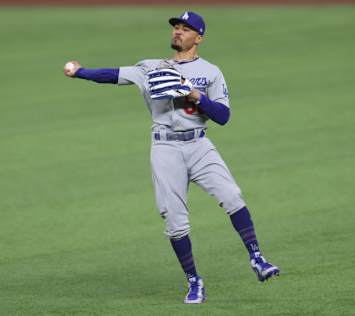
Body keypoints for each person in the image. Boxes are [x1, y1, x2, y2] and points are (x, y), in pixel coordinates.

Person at [64, 11, 279, 304]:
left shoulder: (211, 72)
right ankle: (194, 282)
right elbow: (113, 75)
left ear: (198, 37)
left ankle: (258, 258)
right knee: (175, 221)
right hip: (165, 148)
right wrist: (81, 71)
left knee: (232, 196)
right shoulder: (151, 67)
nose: (178, 31)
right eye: (176, 27)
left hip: (199, 145)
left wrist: (195, 95)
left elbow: (224, 116)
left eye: (186, 28)